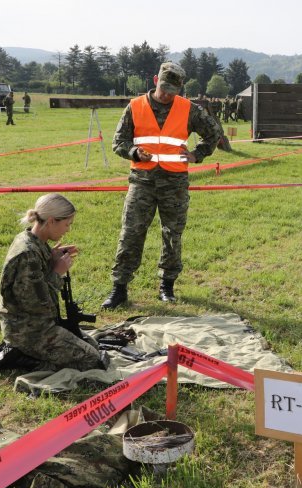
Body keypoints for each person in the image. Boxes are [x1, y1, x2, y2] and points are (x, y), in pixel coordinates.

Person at [102, 61, 222, 308]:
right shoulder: (135, 107)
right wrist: (134, 152)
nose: (166, 95)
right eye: (164, 88)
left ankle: (167, 285)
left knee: (172, 235)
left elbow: (213, 133)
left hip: (174, 183)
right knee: (131, 233)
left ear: (180, 89)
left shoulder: (189, 109)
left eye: (172, 91)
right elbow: (119, 142)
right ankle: (119, 288)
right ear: (155, 80)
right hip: (142, 182)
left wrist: (197, 154)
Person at [0, 193, 108, 371]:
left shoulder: (32, 240)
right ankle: (21, 357)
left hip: (40, 323)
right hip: (29, 332)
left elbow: (36, 278)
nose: (68, 230)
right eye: (66, 224)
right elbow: (37, 305)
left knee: (94, 347)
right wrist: (57, 272)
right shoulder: (27, 255)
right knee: (93, 360)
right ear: (51, 221)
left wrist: (51, 257)